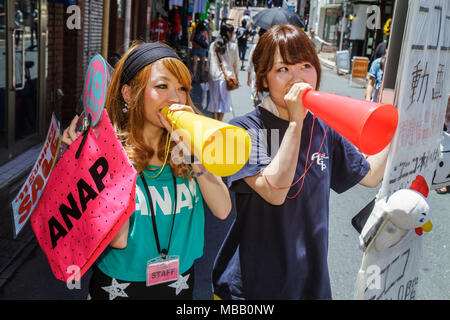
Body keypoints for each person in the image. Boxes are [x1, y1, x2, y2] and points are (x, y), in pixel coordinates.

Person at [212, 24, 389, 300]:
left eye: (306, 65)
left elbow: (369, 175)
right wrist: (296, 120)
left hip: (310, 287)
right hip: (251, 289)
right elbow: (273, 191)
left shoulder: (323, 127)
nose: (297, 78)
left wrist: (394, 123)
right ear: (264, 80)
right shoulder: (242, 131)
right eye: (283, 69)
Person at [62, 42, 231, 300]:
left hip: (181, 283)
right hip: (119, 285)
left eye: (182, 88)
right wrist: (88, 161)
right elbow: (117, 240)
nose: (175, 98)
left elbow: (223, 209)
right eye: (162, 86)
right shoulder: (108, 153)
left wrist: (191, 152)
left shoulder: (189, 149)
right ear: (129, 93)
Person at [206, 23, 239, 121]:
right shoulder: (233, 46)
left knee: (213, 100)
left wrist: (207, 74)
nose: (233, 34)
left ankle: (214, 118)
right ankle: (219, 121)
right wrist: (236, 75)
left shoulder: (213, 45)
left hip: (214, 76)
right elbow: (236, 63)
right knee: (223, 102)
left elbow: (209, 60)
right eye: (232, 32)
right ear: (228, 33)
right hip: (227, 77)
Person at [247, 28, 267, 107]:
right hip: (267, 78)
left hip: (256, 76)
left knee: (256, 100)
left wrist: (248, 77)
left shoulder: (255, 47)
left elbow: (250, 63)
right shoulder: (271, 48)